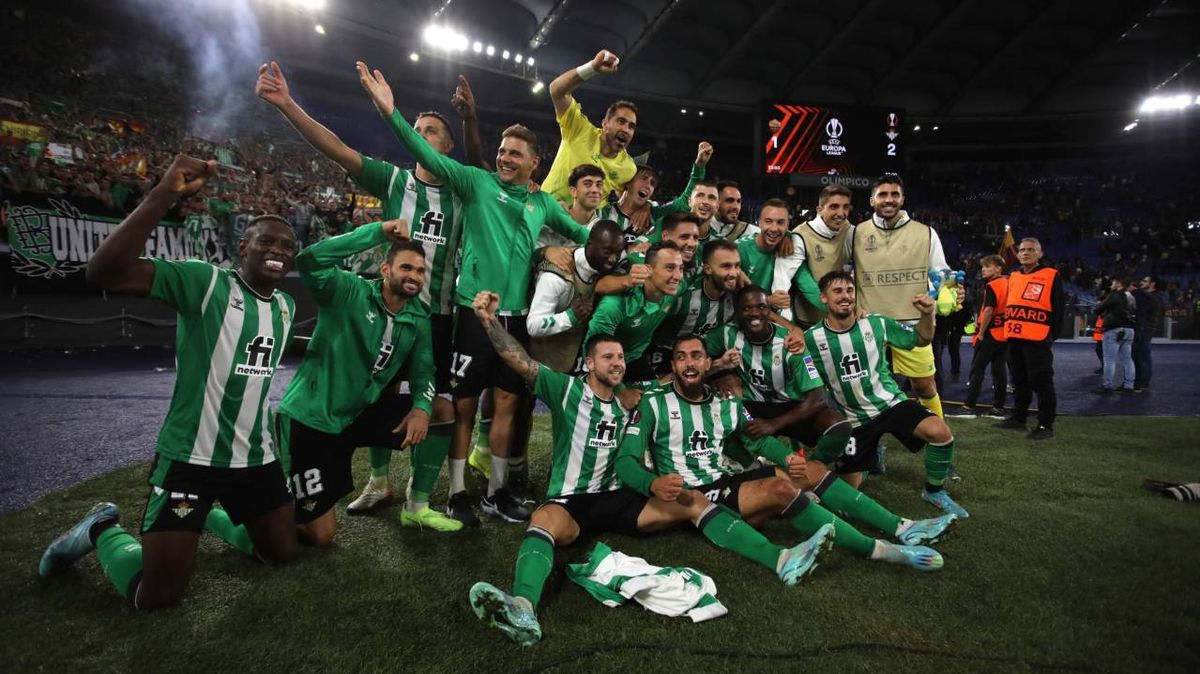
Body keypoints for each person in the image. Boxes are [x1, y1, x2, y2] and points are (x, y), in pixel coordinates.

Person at [465, 292, 832, 646]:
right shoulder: (566, 390)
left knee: (692, 500)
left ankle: (781, 559)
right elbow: (520, 361)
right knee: (543, 522)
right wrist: (489, 322)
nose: (616, 363)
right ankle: (523, 608)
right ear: (590, 363)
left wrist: (717, 368)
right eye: (607, 357)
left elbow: (673, 380)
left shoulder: (633, 397)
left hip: (625, 496)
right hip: (571, 499)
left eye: (621, 357)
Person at [39, 154, 299, 608]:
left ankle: (212, 517)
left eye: (287, 245)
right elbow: (105, 273)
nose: (278, 250)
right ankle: (100, 527)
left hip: (256, 458)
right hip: (191, 458)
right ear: (243, 247)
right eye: (267, 242)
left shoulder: (285, 307)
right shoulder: (204, 282)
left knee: (281, 554)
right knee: (155, 597)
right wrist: (164, 193)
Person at [359, 62, 591, 525]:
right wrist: (390, 113)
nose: (504, 158)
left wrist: (612, 250)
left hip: (516, 318)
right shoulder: (475, 182)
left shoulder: (541, 202)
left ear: (534, 163)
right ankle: (460, 493)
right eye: (502, 151)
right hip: (471, 314)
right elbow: (425, 152)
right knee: (463, 406)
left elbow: (581, 234)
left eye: (515, 154)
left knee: (507, 404)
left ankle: (499, 493)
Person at [254, 60, 463, 519]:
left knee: (435, 404)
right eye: (416, 128)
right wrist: (288, 105)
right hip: (383, 304)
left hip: (436, 315)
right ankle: (377, 483)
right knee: (380, 393)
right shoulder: (393, 180)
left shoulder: (463, 194)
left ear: (447, 148)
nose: (419, 134)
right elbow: (338, 149)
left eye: (430, 131)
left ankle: (420, 500)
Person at [617, 335, 949, 573]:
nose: (689, 363)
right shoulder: (653, 404)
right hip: (695, 495)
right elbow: (626, 461)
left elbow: (757, 440)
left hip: (727, 481)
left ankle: (902, 526)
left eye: (696, 356)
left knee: (812, 470)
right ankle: (879, 551)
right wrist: (653, 483)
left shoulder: (729, 404)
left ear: (708, 362)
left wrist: (786, 457)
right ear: (673, 365)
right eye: (681, 357)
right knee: (781, 489)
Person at [279, 221, 464, 544]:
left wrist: (421, 407)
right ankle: (231, 521)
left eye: (420, 271)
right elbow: (309, 260)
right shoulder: (347, 290)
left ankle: (416, 506)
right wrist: (377, 232)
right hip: (313, 420)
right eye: (406, 267)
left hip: (359, 415)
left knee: (441, 409)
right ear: (384, 269)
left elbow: (423, 372)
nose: (414, 277)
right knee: (317, 534)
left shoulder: (418, 316)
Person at [805, 271, 968, 517]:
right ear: (824, 298)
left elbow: (921, 339)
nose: (846, 296)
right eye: (837, 291)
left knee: (940, 433)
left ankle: (934, 490)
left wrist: (927, 313)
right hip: (853, 419)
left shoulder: (876, 323)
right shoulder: (811, 339)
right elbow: (806, 381)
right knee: (846, 502)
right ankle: (870, 459)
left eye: (849, 291)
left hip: (890, 404)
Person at [850, 174, 954, 418]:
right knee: (863, 386)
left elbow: (942, 272)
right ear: (872, 199)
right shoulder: (855, 233)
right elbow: (839, 272)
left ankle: (936, 432)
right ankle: (869, 437)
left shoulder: (925, 233)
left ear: (902, 198)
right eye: (883, 195)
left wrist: (951, 288)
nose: (889, 200)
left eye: (894, 194)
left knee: (924, 385)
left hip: (911, 323)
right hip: (869, 324)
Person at [527, 220, 626, 374]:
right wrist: (571, 316)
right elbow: (533, 325)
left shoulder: (601, 267)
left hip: (572, 367)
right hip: (543, 372)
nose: (613, 259)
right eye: (607, 252)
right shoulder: (556, 276)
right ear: (590, 244)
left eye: (618, 254)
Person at [584, 242, 685, 386]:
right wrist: (621, 391)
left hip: (636, 357)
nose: (677, 276)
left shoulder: (674, 289)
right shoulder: (614, 305)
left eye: (681, 269)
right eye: (670, 268)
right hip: (607, 360)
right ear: (648, 270)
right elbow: (591, 352)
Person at [544, 49, 637, 202]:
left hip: (581, 225)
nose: (626, 129)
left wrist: (645, 208)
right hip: (545, 216)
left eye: (631, 126)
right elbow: (556, 91)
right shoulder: (579, 129)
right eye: (621, 121)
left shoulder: (628, 169)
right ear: (605, 124)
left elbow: (631, 198)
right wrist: (592, 68)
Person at [995, 238, 1064, 440]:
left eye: (1031, 250)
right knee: (1019, 380)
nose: (1026, 253)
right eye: (1023, 250)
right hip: (1014, 337)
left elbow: (1058, 308)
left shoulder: (1051, 275)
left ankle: (1045, 424)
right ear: (1017, 254)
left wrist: (1052, 336)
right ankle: (1019, 417)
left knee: (1041, 381)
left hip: (1038, 338)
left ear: (1040, 254)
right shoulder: (1014, 276)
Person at [737, 198, 823, 321]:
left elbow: (808, 287)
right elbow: (731, 296)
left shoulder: (790, 248)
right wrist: (767, 301)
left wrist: (835, 307)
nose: (774, 228)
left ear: (788, 225)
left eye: (780, 222)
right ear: (759, 222)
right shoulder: (740, 250)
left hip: (778, 322)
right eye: (768, 221)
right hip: (746, 320)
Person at [791, 184, 853, 326]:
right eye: (834, 207)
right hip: (808, 317)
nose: (841, 213)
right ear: (819, 210)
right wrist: (832, 307)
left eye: (846, 207)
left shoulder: (847, 229)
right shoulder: (800, 235)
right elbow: (802, 280)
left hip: (838, 315)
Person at [961, 255, 1008, 415]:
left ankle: (969, 403)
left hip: (989, 334)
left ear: (998, 268)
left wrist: (980, 334)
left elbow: (988, 310)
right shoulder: (1008, 283)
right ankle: (998, 405)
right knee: (999, 370)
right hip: (1004, 334)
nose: (983, 269)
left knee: (978, 369)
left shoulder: (993, 286)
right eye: (983, 267)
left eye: (988, 266)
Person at [1093, 276, 1137, 394]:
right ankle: (1129, 385)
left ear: (1118, 283)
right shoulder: (1130, 296)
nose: (1112, 284)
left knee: (1109, 360)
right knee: (1128, 360)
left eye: (1114, 282)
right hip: (1129, 330)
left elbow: (1098, 309)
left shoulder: (1114, 294)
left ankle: (1107, 386)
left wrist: (1099, 309)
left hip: (1114, 330)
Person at [1132, 275, 1162, 392]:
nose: (1141, 282)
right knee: (1139, 354)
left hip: (1146, 329)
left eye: (1145, 281)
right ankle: (1140, 379)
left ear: (1152, 284)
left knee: (1143, 354)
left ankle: (1144, 381)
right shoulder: (1147, 296)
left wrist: (1136, 290)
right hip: (1143, 328)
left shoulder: (1155, 297)